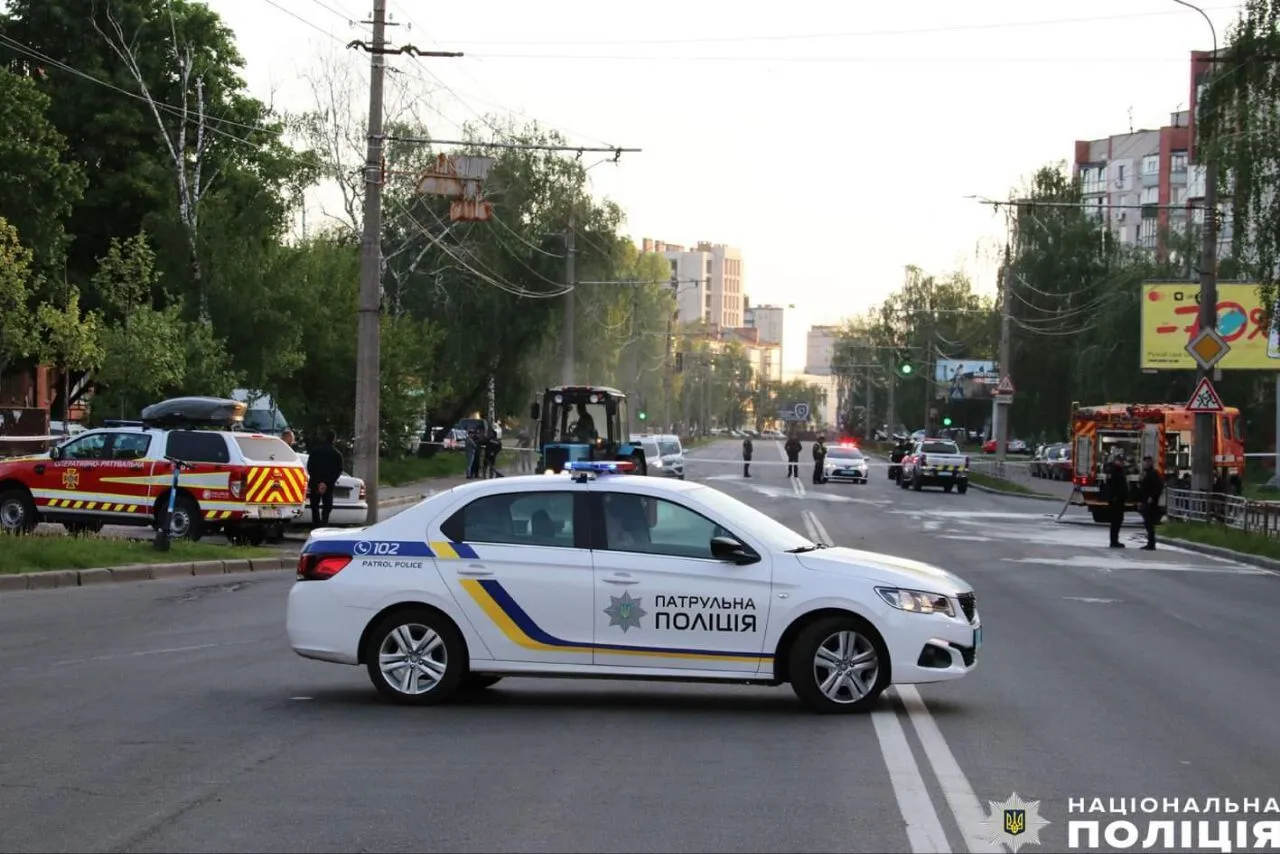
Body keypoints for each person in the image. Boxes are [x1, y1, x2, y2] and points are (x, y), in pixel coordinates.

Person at [306, 429, 344, 527]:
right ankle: (324, 525)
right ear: (334, 439)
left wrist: (318, 482)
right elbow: (338, 471)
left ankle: (316, 525)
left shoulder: (315, 451)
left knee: (314, 506)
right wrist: (326, 483)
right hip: (329, 485)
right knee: (327, 507)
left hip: (315, 483)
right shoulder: (337, 454)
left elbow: (310, 467)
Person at [1138, 455, 1164, 550]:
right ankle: (1150, 543)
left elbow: (1159, 487)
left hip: (1151, 502)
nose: (1146, 464)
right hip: (1145, 501)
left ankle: (1151, 543)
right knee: (1147, 523)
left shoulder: (1153, 474)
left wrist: (1152, 497)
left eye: (1148, 462)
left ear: (1151, 463)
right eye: (1145, 462)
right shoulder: (1145, 473)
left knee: (1150, 523)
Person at [1105, 451, 1129, 548]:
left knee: (1118, 520)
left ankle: (1115, 540)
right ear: (1115, 461)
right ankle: (1114, 541)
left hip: (1119, 499)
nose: (1122, 462)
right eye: (1120, 461)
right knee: (1116, 520)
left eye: (1122, 461)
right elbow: (1113, 486)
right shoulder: (1114, 470)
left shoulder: (1117, 470)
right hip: (1116, 500)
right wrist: (1114, 497)